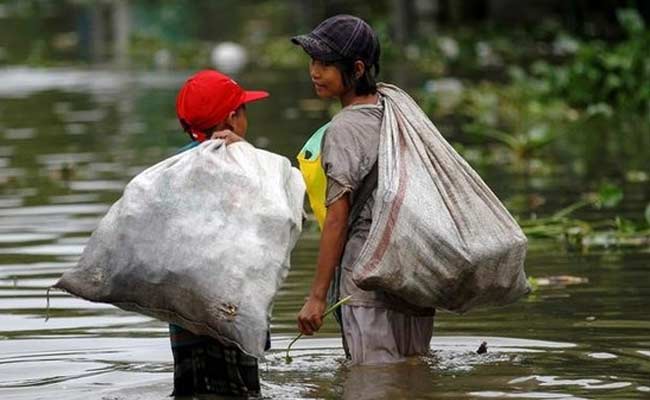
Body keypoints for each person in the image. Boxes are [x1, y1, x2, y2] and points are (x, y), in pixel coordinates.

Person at [292, 15, 435, 365]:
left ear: (356, 69)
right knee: (413, 373)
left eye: (325, 64)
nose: (314, 72)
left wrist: (317, 297)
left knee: (371, 382)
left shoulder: (342, 129)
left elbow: (338, 219)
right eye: (312, 61)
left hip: (366, 281)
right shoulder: (398, 114)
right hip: (412, 279)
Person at [170, 69, 269, 397]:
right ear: (232, 118)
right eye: (244, 110)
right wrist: (247, 154)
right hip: (230, 313)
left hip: (184, 315)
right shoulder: (238, 165)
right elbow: (276, 210)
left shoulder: (174, 166)